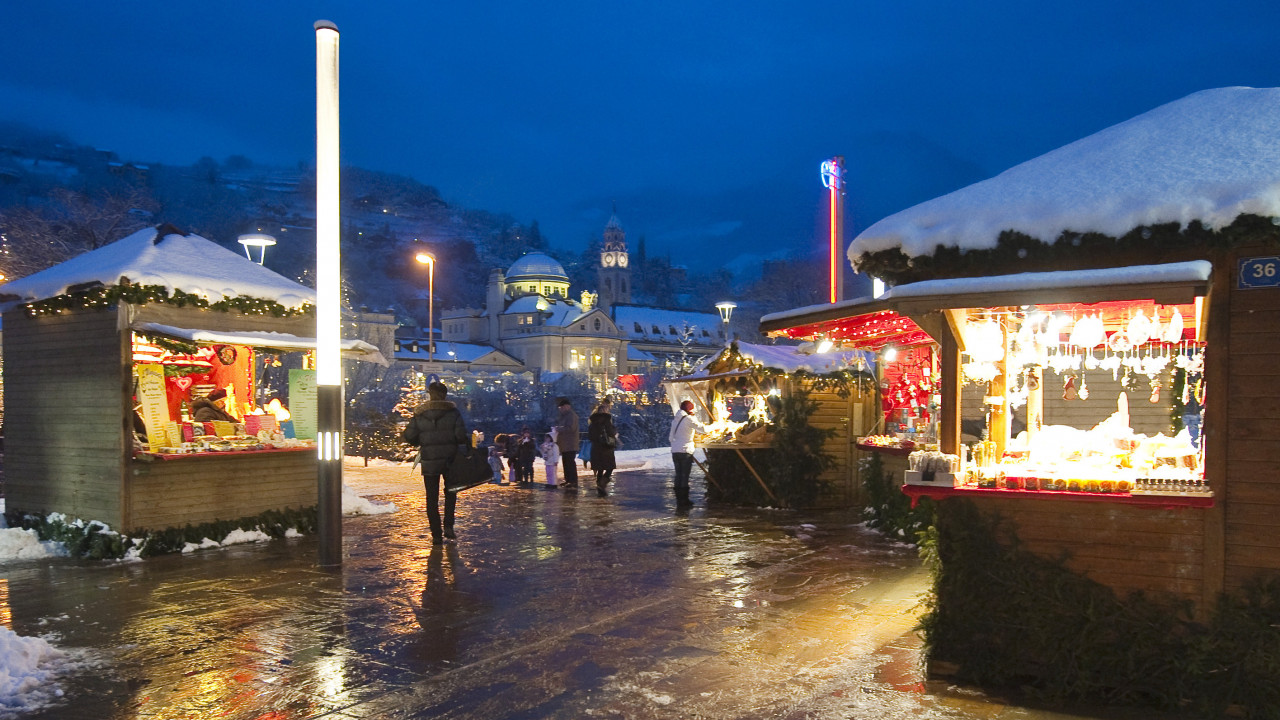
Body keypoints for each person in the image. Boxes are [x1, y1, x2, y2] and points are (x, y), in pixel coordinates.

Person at [400, 381, 469, 544]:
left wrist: (422, 440)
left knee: (432, 498)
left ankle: (436, 534)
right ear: (445, 395)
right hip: (450, 460)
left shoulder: (420, 413)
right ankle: (449, 527)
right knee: (451, 492)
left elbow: (409, 436)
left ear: (429, 394)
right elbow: (460, 436)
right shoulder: (453, 412)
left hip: (430, 460)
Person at [669, 399, 707, 509]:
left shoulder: (675, 420)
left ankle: (679, 500)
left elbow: (670, 437)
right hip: (685, 451)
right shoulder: (688, 419)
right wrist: (715, 426)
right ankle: (684, 501)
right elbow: (703, 429)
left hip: (675, 451)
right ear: (690, 409)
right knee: (685, 475)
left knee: (678, 474)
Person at [587, 399, 618, 497]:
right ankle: (602, 484)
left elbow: (590, 436)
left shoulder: (592, 422)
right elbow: (611, 433)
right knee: (610, 467)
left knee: (600, 468)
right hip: (606, 448)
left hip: (596, 448)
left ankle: (600, 488)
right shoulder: (606, 420)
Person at [554, 397, 581, 490]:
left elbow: (570, 428)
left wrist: (559, 429)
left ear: (567, 406)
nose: (560, 409)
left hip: (570, 443)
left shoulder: (571, 416)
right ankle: (568, 480)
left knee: (570, 462)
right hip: (565, 444)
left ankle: (572, 481)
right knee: (566, 462)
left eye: (561, 407)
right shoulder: (566, 415)